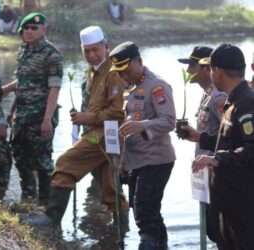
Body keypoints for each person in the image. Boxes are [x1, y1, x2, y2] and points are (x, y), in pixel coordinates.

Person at [25, 25, 129, 226]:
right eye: (86, 51)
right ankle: (121, 230)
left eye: (95, 50)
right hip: (96, 133)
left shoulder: (114, 73)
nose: (91, 55)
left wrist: (87, 117)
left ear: (106, 47)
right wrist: (82, 117)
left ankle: (51, 218)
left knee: (65, 164)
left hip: (106, 135)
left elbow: (118, 113)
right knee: (110, 188)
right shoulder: (91, 72)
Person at [185, 44, 254, 249]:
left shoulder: (247, 103)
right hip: (228, 201)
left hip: (242, 205)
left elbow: (251, 149)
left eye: (211, 68)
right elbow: (231, 139)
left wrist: (218, 158)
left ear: (218, 72)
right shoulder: (233, 101)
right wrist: (201, 138)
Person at [109, 41, 176, 250]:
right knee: (147, 212)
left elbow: (169, 121)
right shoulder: (131, 87)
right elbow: (128, 128)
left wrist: (142, 126)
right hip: (136, 161)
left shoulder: (157, 86)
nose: (123, 77)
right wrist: (123, 163)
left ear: (139, 61)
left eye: (127, 71)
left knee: (144, 212)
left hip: (156, 160)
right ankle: (160, 246)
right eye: (120, 73)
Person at [1, 13, 63, 204]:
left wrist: (47, 119)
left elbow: (55, 87)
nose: (29, 32)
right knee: (20, 156)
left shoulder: (52, 55)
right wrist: (10, 105)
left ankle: (45, 204)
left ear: (43, 30)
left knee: (43, 162)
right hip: (22, 116)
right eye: (25, 28)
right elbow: (24, 82)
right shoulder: (24, 52)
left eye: (34, 28)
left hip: (40, 117)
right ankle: (28, 197)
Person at [177, 46, 227, 249]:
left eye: (192, 65)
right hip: (205, 172)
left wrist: (200, 137)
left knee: (219, 229)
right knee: (211, 229)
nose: (188, 71)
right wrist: (192, 135)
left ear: (208, 68)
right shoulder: (207, 94)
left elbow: (230, 138)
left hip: (218, 172)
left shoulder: (218, 97)